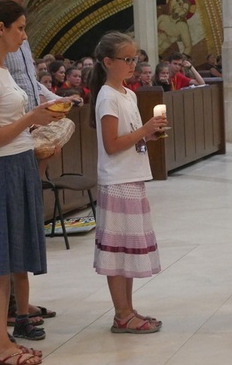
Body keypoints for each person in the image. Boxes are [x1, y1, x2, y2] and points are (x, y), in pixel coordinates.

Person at [0, 0, 69, 365]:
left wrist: (37, 122)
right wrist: (31, 115)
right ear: (0, 28)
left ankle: (2, 341)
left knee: (10, 263)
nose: (24, 35)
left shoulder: (1, 71)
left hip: (17, 165)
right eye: (20, 27)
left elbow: (9, 128)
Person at [88, 32, 167, 334]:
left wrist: (148, 134)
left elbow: (129, 138)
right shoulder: (107, 96)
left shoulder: (128, 94)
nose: (133, 64)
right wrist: (143, 130)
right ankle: (121, 313)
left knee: (128, 252)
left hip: (132, 178)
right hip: (117, 181)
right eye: (127, 59)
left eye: (135, 58)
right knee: (117, 252)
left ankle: (128, 310)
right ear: (108, 62)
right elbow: (111, 144)